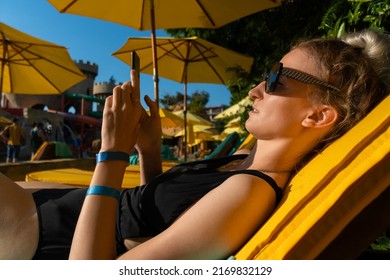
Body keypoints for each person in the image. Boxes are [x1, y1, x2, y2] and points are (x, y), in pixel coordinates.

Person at [1, 29, 389, 260]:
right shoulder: (242, 163)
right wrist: (148, 151)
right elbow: (161, 221)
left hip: (57, 238)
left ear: (318, 116)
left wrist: (112, 152)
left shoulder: (250, 191)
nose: (256, 89)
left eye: (276, 78)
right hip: (67, 212)